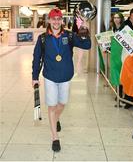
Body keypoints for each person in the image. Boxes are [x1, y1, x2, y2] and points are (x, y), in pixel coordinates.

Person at [32, 8, 91, 152]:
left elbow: (87, 45)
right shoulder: (43, 38)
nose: (56, 21)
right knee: (52, 106)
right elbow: (37, 59)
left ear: (62, 21)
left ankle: (56, 119)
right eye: (54, 19)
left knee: (62, 103)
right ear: (49, 20)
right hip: (50, 76)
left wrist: (85, 31)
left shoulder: (70, 36)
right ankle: (55, 137)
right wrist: (34, 77)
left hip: (66, 76)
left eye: (59, 19)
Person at [120, 8, 133, 109]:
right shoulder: (125, 24)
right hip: (127, 53)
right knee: (127, 75)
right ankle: (127, 99)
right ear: (131, 14)